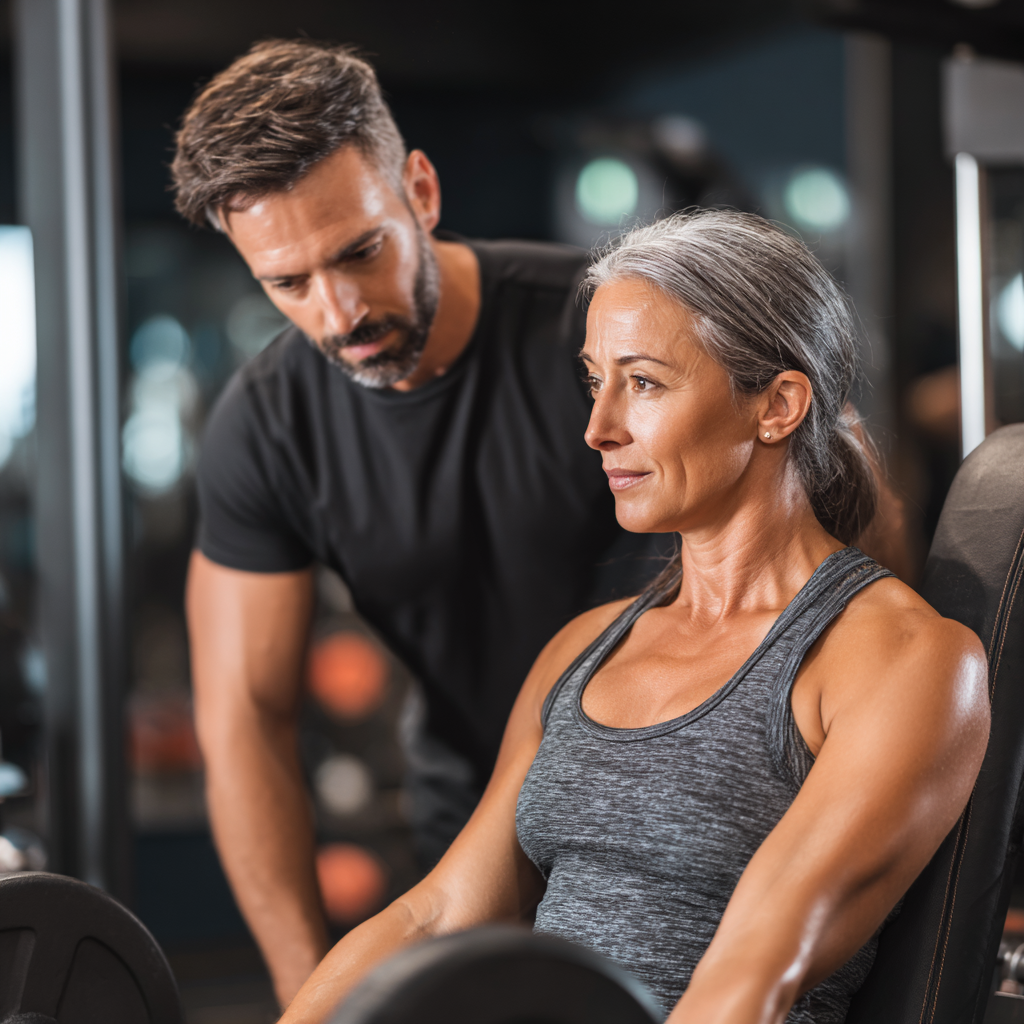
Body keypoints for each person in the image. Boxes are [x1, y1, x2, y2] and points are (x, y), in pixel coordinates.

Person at [172, 40, 909, 1008]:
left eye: (360, 251)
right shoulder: (267, 425)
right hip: (499, 806)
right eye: (289, 283)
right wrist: (307, 993)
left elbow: (833, 465)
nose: (339, 310)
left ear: (420, 193)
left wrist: (866, 678)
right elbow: (246, 723)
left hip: (726, 812)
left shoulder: (611, 319)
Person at [278, 211, 988, 1024]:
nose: (598, 428)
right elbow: (435, 914)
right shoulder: (584, 650)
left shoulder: (898, 659)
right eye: (594, 380)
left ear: (778, 405)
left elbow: (748, 975)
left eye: (643, 383)